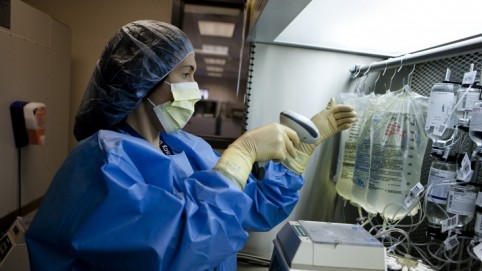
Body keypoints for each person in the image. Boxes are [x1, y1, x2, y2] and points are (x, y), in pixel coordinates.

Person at [25, 20, 357, 271]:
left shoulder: (182, 146)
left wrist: (295, 158)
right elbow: (178, 247)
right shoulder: (102, 163)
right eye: (186, 74)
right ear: (144, 78)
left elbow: (252, 208)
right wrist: (242, 154)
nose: (194, 88)